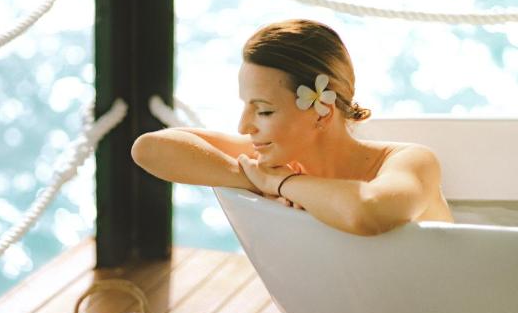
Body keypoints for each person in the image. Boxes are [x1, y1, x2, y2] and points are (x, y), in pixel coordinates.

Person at [131, 18, 454, 235]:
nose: (244, 127)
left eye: (264, 111)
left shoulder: (412, 161)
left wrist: (283, 183)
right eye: (247, 106)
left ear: (321, 113)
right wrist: (253, 180)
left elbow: (367, 211)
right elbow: (149, 148)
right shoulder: (273, 161)